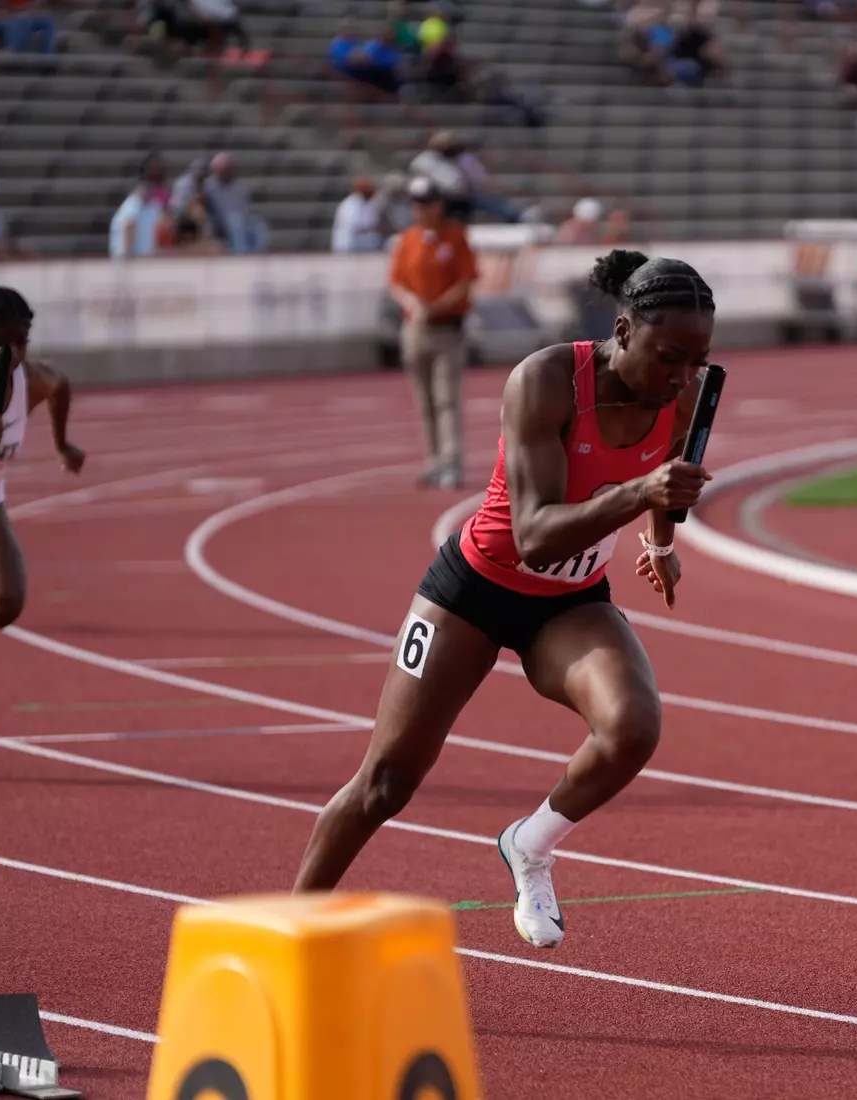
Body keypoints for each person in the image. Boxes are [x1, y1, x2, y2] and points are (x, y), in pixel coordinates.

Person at [292, 250, 717, 951]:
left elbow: (670, 476)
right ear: (621, 332)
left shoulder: (689, 392)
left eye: (697, 361)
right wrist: (639, 496)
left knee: (632, 730)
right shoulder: (547, 381)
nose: (681, 377)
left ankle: (531, 844)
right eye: (668, 356)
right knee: (386, 782)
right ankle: (291, 926)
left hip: (570, 602)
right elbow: (534, 535)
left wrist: (662, 540)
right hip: (474, 589)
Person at [0, 287, 85, 630]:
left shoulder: (29, 379)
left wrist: (63, 444)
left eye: (22, 341)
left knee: (4, 606)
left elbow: (59, 384)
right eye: (1, 340)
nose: (13, 352)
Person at [387, 176, 477, 490]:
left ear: (439, 205)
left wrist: (436, 306)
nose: (421, 209)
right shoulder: (408, 239)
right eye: (417, 203)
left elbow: (466, 281)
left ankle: (452, 461)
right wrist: (412, 302)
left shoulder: (454, 237)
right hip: (415, 327)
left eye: (427, 202)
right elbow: (396, 281)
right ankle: (435, 461)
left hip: (447, 329)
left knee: (446, 399)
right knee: (424, 400)